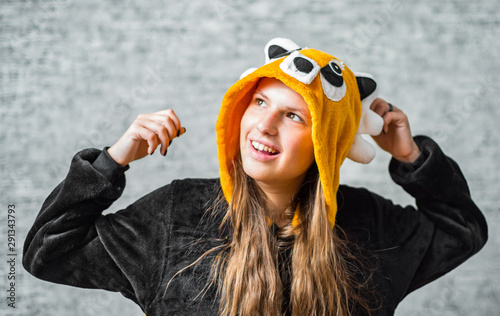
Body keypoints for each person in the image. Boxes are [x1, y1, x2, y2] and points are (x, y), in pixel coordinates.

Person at [23, 38, 487, 316]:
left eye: (294, 116)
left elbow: (460, 231)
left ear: (326, 145)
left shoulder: (370, 227)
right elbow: (47, 250)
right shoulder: (174, 216)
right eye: (259, 103)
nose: (263, 125)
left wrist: (410, 155)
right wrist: (112, 159)